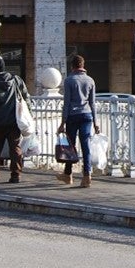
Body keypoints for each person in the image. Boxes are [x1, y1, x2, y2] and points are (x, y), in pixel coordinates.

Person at [57, 53, 96, 187]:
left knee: (70, 146)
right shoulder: (90, 80)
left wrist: (62, 122)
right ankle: (87, 175)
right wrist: (96, 123)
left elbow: (66, 103)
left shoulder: (69, 80)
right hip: (87, 115)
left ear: (72, 66)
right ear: (83, 65)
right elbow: (92, 103)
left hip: (73, 116)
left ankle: (68, 175)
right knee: (86, 146)